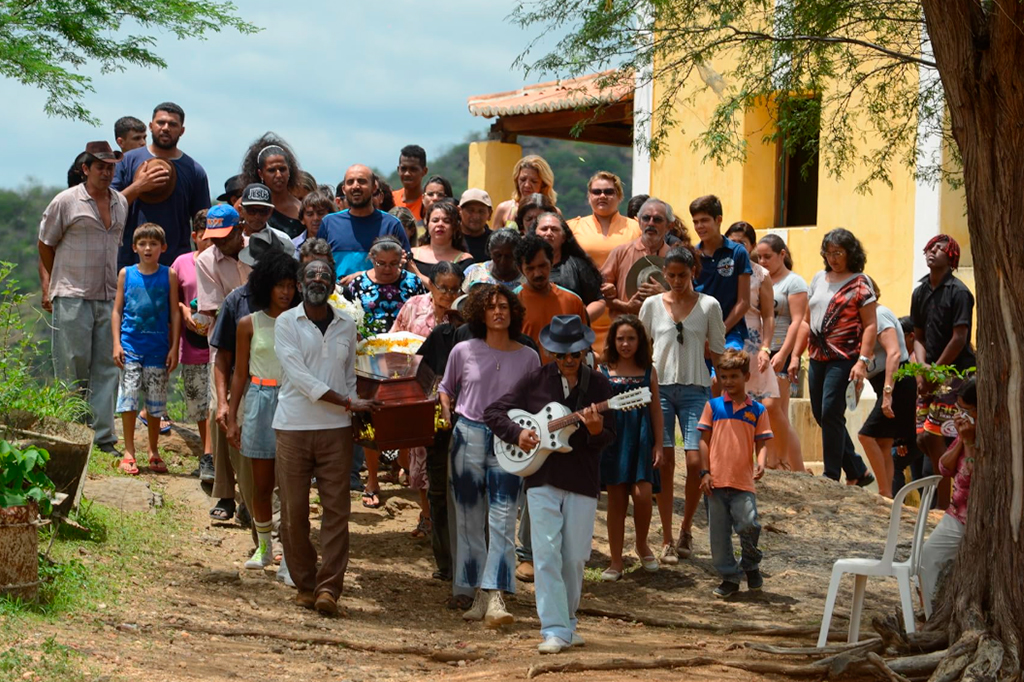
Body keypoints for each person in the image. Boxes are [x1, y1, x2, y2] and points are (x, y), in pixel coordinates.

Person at [485, 315, 614, 653]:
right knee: (545, 553)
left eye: (575, 354)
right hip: (542, 478)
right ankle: (553, 629)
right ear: (551, 353)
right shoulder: (535, 380)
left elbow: (610, 436)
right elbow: (494, 413)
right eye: (561, 354)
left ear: (585, 351)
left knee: (574, 557)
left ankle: (568, 623)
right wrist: (518, 433)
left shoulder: (599, 386)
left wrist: (596, 431)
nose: (568, 360)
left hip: (583, 478)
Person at [273, 257, 380, 616]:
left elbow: (348, 377)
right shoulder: (286, 322)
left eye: (325, 277)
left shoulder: (346, 324)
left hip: (336, 430)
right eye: (311, 276)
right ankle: (305, 584)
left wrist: (353, 415)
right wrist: (348, 403)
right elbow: (301, 379)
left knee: (337, 511)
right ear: (300, 284)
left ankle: (328, 589)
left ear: (333, 286)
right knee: (294, 512)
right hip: (293, 427)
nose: (318, 281)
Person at [438, 284, 541, 627]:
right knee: (468, 520)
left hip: (509, 440)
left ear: (514, 313)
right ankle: (474, 592)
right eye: (491, 306)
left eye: (504, 306)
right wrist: (445, 410)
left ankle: (495, 594)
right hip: (467, 435)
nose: (498, 312)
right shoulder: (463, 350)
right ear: (480, 313)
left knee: (503, 518)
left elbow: (535, 402)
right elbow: (446, 387)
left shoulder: (529, 357)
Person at [38, 141, 128, 455]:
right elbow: (45, 243)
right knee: (71, 365)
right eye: (100, 167)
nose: (106, 173)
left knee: (107, 367)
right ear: (85, 169)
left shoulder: (120, 202)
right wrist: (55, 282)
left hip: (108, 295)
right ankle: (71, 434)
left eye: (111, 167)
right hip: (72, 294)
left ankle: (103, 438)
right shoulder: (66, 201)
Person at [638, 245, 725, 564]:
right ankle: (667, 538)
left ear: (693, 273)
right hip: (659, 388)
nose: (676, 281)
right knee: (663, 461)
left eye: (682, 275)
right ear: (664, 274)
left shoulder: (709, 305)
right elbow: (641, 347)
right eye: (671, 275)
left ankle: (686, 527)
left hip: (697, 388)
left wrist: (723, 395)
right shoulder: (651, 305)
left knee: (694, 461)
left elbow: (718, 352)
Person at [226, 252, 298, 570]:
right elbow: (239, 373)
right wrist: (232, 416)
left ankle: (290, 552)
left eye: (291, 285)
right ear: (266, 286)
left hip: (292, 400)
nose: (286, 292)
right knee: (261, 484)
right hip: (258, 398)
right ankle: (264, 548)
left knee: (292, 484)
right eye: (280, 285)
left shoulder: (301, 323)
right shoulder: (249, 324)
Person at [389, 262, 465, 538]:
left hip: (457, 394)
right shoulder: (413, 306)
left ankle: (452, 519)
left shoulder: (464, 313)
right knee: (419, 454)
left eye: (454, 289)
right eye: (443, 288)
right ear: (431, 284)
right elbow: (394, 341)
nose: (448, 294)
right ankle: (427, 515)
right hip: (419, 388)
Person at [697, 349, 772, 598]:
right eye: (724, 376)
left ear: (746, 376)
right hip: (715, 483)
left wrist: (761, 462)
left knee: (749, 523)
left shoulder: (757, 410)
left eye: (734, 376)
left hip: (743, 482)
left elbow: (762, 442)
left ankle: (750, 563)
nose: (728, 381)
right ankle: (729, 577)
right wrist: (705, 472)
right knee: (719, 537)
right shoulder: (713, 406)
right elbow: (704, 441)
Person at [804, 228, 875, 486]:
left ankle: (831, 474)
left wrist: (862, 362)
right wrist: (794, 355)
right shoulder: (818, 278)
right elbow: (806, 319)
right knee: (820, 412)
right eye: (828, 253)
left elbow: (870, 325)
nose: (833, 258)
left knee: (831, 411)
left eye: (838, 253)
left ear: (850, 253)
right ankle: (857, 469)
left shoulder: (860, 282)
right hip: (816, 356)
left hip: (844, 357)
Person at [911, 235, 975, 510]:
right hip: (928, 373)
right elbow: (918, 336)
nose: (933, 251)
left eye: (940, 248)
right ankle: (941, 499)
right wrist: (921, 370)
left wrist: (936, 372)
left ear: (952, 258)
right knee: (922, 438)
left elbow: (960, 338)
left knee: (934, 436)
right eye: (930, 247)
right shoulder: (920, 292)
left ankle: (942, 506)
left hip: (954, 374)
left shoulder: (959, 292)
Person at [111, 223, 181, 475]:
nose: (148, 248)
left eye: (153, 244)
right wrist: (117, 343)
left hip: (158, 349)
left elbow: (175, 313)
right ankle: (129, 450)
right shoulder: (126, 274)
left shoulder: (169, 275)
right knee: (128, 399)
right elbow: (117, 311)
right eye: (142, 244)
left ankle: (153, 449)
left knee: (155, 402)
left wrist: (174, 348)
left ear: (163, 247)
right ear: (134, 247)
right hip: (130, 347)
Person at [598, 315, 663, 580]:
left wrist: (659, 444)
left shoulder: (648, 371)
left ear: (641, 341)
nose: (625, 344)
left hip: (642, 439)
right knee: (616, 500)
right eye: (620, 339)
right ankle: (615, 560)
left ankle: (642, 544)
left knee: (643, 494)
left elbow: (656, 410)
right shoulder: (604, 370)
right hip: (614, 441)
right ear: (613, 341)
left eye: (631, 338)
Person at [112, 102, 211, 270]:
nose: (166, 128)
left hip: (175, 265)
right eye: (161, 123)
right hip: (129, 264)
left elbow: (203, 224)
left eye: (172, 124)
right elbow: (109, 207)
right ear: (151, 126)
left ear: (182, 131)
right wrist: (139, 186)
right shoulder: (126, 161)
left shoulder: (194, 171)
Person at [725, 223, 782, 457]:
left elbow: (768, 315)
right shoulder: (720, 269)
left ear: (752, 246)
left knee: (767, 403)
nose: (737, 246)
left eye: (742, 242)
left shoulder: (760, 275)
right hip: (724, 337)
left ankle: (778, 459)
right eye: (732, 241)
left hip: (753, 341)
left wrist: (766, 348)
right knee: (728, 400)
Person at [918, 376, 975, 605]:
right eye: (959, 410)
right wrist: (962, 440)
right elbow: (944, 467)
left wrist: (969, 442)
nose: (962, 416)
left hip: (972, 517)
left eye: (967, 411)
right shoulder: (965, 433)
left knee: (931, 559)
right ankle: (929, 613)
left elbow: (972, 476)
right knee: (925, 559)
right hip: (956, 514)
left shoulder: (994, 438)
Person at [857, 277, 915, 498]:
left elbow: (894, 353)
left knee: (866, 436)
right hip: (884, 382)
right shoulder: (865, 318)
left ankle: (883, 492)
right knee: (883, 441)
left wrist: (888, 393)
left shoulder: (879, 315)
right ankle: (887, 495)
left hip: (897, 382)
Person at [755, 234, 808, 472]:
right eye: (759, 257)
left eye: (768, 256)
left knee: (772, 406)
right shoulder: (758, 278)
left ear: (782, 254)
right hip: (760, 349)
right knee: (775, 411)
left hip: (779, 349)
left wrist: (786, 354)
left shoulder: (793, 282)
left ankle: (783, 461)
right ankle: (782, 463)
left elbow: (798, 321)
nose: (763, 261)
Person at [171, 209, 214, 481]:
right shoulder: (182, 263)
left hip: (219, 343)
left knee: (216, 401)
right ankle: (210, 454)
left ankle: (210, 457)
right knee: (198, 403)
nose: (210, 243)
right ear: (194, 236)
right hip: (191, 343)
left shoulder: (226, 261)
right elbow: (173, 299)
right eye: (205, 238)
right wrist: (185, 311)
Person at [317, 164, 411, 278]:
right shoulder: (329, 223)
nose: (356, 186)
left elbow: (404, 268)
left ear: (374, 188)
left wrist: (364, 276)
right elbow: (318, 265)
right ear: (344, 190)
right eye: (350, 182)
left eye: (362, 181)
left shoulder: (391, 225)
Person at [513, 234, 589, 363]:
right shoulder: (512, 302)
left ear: (552, 262)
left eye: (542, 266)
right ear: (520, 269)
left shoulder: (573, 300)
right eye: (530, 268)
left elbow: (583, 347)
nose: (538, 273)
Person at [690, 195, 750, 356]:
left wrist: (718, 333)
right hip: (697, 334)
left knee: (729, 368)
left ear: (718, 220)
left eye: (704, 220)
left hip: (730, 332)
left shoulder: (738, 252)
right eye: (695, 222)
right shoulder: (692, 255)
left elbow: (744, 302)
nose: (699, 226)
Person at [600, 197, 673, 322]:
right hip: (625, 329)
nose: (651, 223)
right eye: (646, 218)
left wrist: (664, 296)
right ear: (639, 222)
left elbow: (687, 300)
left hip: (663, 330)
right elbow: (599, 294)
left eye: (657, 219)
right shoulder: (620, 252)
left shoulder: (675, 258)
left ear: (669, 226)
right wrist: (625, 306)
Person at [533, 212, 605, 326]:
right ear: (534, 233)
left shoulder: (578, 265)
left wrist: (579, 320)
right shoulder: (524, 265)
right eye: (544, 229)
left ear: (563, 237)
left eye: (554, 229)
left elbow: (598, 301)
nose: (549, 233)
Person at [347, 236, 427, 336]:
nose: (387, 268)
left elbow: (423, 314)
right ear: (372, 258)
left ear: (400, 260)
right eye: (381, 263)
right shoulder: (358, 284)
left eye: (393, 263)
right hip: (369, 343)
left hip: (406, 342)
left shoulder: (413, 281)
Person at [240, 134, 304, 238]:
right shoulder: (245, 203)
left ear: (289, 171)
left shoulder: (300, 209)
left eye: (282, 169)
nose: (278, 175)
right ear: (261, 173)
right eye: (271, 170)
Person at [410, 201, 473, 282]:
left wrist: (418, 275)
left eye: (446, 221)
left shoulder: (465, 260)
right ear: (427, 225)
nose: (440, 224)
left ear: (455, 227)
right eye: (435, 220)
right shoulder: (412, 255)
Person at [492, 156, 558, 228]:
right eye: (522, 180)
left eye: (534, 181)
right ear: (517, 180)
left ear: (543, 184)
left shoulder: (553, 213)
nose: (527, 185)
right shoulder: (504, 209)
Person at [461, 228, 525, 292]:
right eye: (498, 255)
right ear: (490, 252)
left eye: (508, 256)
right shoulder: (474, 272)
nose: (503, 261)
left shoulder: (526, 278)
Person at [292, 190, 335, 257]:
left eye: (320, 213)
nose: (315, 218)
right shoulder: (292, 246)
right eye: (310, 214)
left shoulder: (338, 243)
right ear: (302, 219)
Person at [393, 145, 428, 221]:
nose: (407, 174)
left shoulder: (428, 204)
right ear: (398, 170)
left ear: (424, 171)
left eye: (413, 169)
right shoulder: (390, 200)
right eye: (403, 169)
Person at [459, 189, 493, 263]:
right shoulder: (450, 239)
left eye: (481, 211)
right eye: (470, 211)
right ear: (459, 211)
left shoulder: (495, 242)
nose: (476, 217)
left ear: (490, 214)